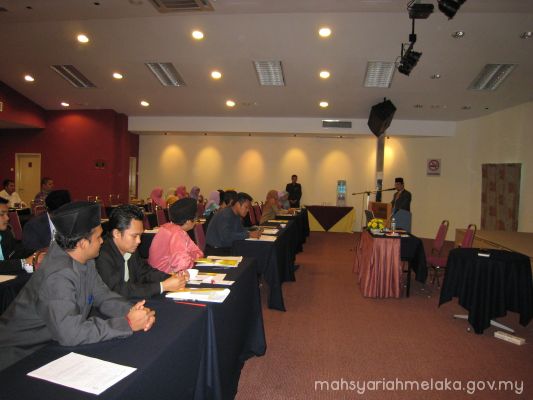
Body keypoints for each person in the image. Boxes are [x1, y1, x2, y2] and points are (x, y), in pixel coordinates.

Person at [0, 201, 156, 372]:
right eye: (98, 237)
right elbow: (71, 333)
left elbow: (102, 295)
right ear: (82, 243)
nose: (102, 241)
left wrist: (132, 311)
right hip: (18, 358)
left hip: (49, 343)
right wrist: (127, 323)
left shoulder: (84, 259)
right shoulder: (58, 275)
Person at [96, 204, 187, 299]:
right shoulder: (101, 254)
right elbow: (117, 290)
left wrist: (172, 277)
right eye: (134, 236)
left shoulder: (129, 247)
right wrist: (162, 286)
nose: (139, 241)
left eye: (140, 235)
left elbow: (144, 272)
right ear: (117, 233)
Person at [148, 198, 204, 273]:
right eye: (196, 218)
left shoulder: (168, 227)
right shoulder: (177, 234)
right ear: (188, 221)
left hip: (156, 273)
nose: (196, 221)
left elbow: (197, 252)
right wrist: (191, 258)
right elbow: (182, 265)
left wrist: (189, 257)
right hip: (163, 276)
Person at [0, 198, 34, 274]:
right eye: (2, 214)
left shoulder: (6, 232)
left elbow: (15, 252)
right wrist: (24, 262)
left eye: (7, 214)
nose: (7, 218)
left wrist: (37, 252)